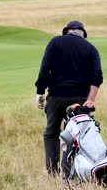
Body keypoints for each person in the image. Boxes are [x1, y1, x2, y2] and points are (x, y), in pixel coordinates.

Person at [34, 20, 103, 178]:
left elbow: (45, 68)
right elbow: (97, 77)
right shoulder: (90, 48)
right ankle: (69, 173)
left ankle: (53, 173)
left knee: (51, 132)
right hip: (80, 100)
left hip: (56, 97)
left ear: (67, 31)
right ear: (82, 34)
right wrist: (91, 100)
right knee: (75, 135)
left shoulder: (55, 42)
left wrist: (40, 92)